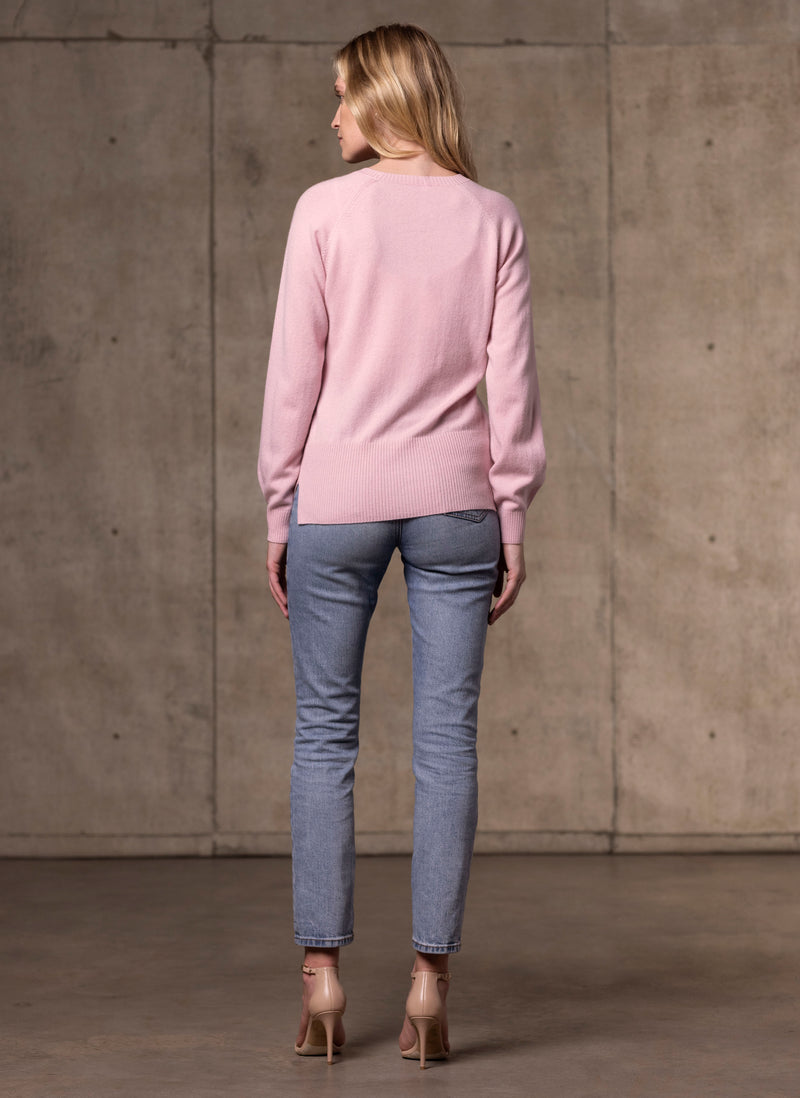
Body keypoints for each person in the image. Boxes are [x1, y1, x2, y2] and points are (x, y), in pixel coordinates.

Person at [257, 22, 546, 1068]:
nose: (332, 115)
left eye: (343, 94)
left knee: (323, 737)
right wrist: (511, 509)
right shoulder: (492, 216)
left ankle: (322, 980)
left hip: (337, 500)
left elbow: (295, 373)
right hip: (455, 502)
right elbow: (509, 385)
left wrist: (279, 507)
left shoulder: (323, 210)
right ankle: (429, 986)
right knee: (446, 743)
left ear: (383, 100)